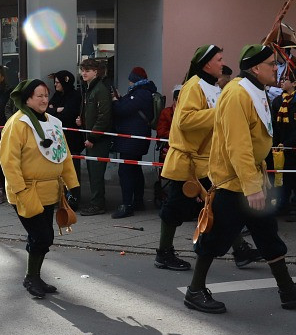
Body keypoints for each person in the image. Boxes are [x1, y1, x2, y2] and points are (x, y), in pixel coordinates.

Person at [183, 44, 296, 315]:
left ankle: (287, 290)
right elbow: (239, 145)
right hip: (234, 183)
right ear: (256, 68)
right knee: (214, 237)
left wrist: (261, 180)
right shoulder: (237, 93)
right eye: (272, 64)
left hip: (250, 180)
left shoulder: (254, 90)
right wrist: (251, 186)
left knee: (267, 233)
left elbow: (256, 140)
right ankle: (195, 291)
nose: (276, 69)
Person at [155, 45, 260, 271]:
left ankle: (240, 250)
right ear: (206, 64)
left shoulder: (214, 87)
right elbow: (184, 120)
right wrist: (220, 114)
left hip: (207, 162)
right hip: (189, 163)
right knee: (175, 208)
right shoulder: (193, 86)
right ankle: (164, 253)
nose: (222, 64)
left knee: (219, 208)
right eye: (219, 59)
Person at [0, 79, 79, 298]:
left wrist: (73, 185)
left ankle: (34, 276)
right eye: (39, 96)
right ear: (27, 99)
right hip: (26, 192)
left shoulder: (53, 122)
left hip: (50, 192)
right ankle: (31, 277)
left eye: (46, 95)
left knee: (44, 237)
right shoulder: (18, 123)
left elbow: (64, 155)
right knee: (41, 236)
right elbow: (9, 161)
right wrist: (20, 190)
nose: (45, 100)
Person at [111, 66, 158, 218]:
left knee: (126, 172)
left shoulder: (140, 94)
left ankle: (127, 205)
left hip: (131, 140)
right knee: (135, 170)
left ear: (135, 80)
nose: (129, 84)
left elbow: (122, 110)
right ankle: (138, 201)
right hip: (135, 139)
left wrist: (114, 100)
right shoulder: (144, 92)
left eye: (131, 81)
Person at [269, 69, 296, 222]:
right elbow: (273, 124)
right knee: (282, 175)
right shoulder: (277, 101)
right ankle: (282, 203)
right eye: (281, 78)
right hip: (281, 147)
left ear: (294, 83)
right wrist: (276, 143)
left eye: (286, 79)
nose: (282, 81)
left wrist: (289, 142)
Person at [76, 58, 113, 215]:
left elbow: (104, 117)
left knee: (96, 172)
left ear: (96, 72)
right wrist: (81, 119)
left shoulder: (100, 89)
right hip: (92, 136)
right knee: (92, 171)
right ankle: (95, 202)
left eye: (88, 70)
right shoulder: (90, 88)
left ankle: (98, 204)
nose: (84, 73)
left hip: (98, 140)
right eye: (83, 70)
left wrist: (92, 137)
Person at [47, 69, 82, 209]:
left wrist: (55, 110)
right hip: (58, 139)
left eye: (57, 82)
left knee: (72, 169)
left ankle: (73, 198)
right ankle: (61, 196)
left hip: (72, 140)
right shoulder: (57, 96)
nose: (55, 85)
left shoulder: (74, 95)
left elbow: (69, 113)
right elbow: (47, 112)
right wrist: (57, 110)